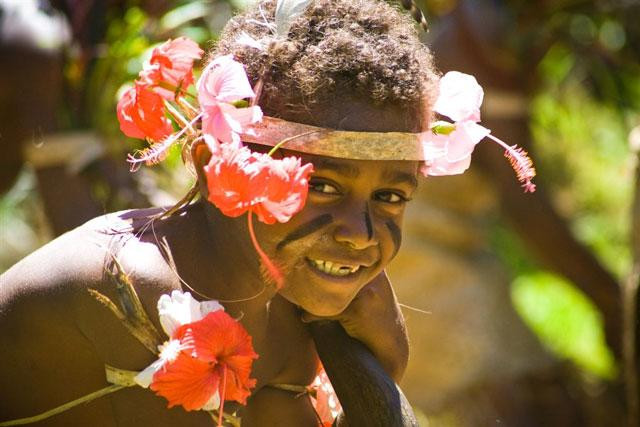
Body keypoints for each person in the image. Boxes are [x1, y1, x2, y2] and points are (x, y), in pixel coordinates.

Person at [1, 0, 528, 425]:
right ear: (213, 164)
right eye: (320, 185)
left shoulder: (291, 298)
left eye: (390, 197)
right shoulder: (143, 292)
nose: (360, 235)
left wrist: (380, 368)